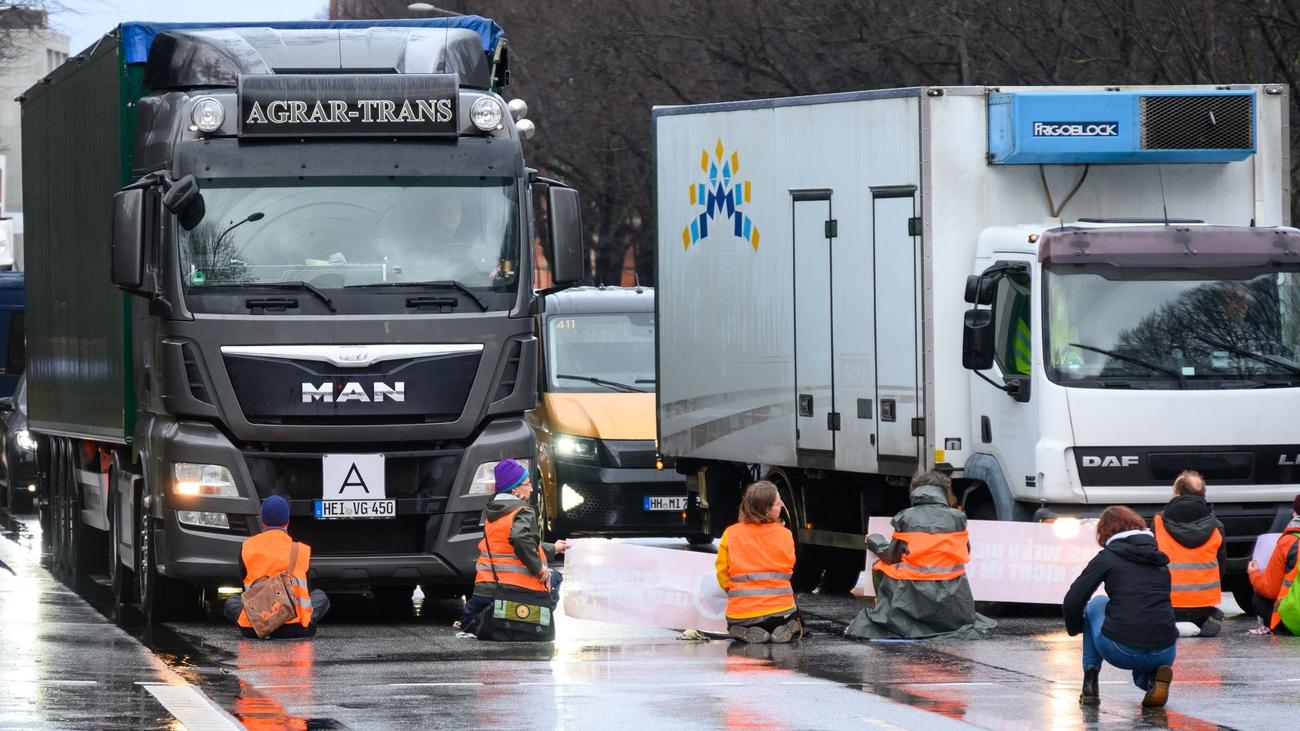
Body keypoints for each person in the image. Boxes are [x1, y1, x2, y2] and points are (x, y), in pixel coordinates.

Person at [845, 470, 994, 640]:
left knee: (879, 565)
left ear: (915, 491)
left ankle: (886, 611)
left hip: (910, 597)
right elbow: (964, 552)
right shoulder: (958, 518)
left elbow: (891, 556)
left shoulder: (905, 517)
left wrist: (875, 541)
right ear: (944, 492)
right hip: (953, 600)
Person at [1063, 506, 1177, 708]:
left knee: (1096, 603)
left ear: (1106, 532)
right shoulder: (1159, 560)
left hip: (1121, 650)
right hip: (1165, 650)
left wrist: (1076, 629)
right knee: (1147, 628)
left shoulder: (1107, 557)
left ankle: (1090, 685)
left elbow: (1073, 601)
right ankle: (1152, 681)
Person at [457, 459, 567, 638]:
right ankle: (531, 621)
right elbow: (519, 537)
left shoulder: (492, 511)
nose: (531, 489)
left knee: (468, 622)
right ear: (514, 489)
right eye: (528, 484)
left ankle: (488, 620)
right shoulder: (523, 511)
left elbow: (507, 545)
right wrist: (538, 568)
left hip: (484, 589)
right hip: (515, 589)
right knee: (554, 578)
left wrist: (553, 548)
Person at [224, 495, 330, 639]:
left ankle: (259, 627)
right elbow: (306, 592)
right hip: (296, 628)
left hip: (256, 626)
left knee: (232, 601)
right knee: (320, 596)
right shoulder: (301, 550)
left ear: (263, 522)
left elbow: (244, 587)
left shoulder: (247, 547)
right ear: (287, 522)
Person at [715, 481, 800, 643]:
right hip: (781, 613)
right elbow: (789, 567)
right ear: (766, 510)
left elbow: (722, 573)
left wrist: (735, 591)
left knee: (738, 622)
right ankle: (787, 628)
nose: (782, 504)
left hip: (742, 615)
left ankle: (744, 632)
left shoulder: (731, 534)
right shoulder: (785, 534)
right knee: (792, 618)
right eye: (777, 502)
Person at [1153, 470, 1225, 637]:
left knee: (1154, 619)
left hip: (1168, 603)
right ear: (1202, 494)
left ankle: (1170, 625)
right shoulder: (1216, 525)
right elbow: (1221, 566)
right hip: (1204, 603)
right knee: (1202, 614)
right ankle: (1208, 617)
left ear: (1177, 493)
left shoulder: (1159, 522)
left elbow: (1152, 562)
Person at [1246, 494, 1300, 636]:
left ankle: (1278, 626)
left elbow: (1269, 589)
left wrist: (1254, 573)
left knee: (1260, 598)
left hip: (1293, 618)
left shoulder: (1289, 541)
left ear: (1294, 513)